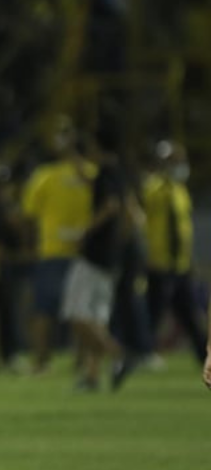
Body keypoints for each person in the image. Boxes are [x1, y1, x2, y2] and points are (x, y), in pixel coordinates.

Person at [60, 123, 138, 391]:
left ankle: (120, 355)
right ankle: (93, 377)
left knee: (77, 314)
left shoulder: (107, 173)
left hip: (95, 255)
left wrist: (86, 231)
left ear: (98, 145)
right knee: (96, 318)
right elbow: (127, 209)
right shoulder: (118, 172)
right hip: (112, 256)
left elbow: (111, 206)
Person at [20, 115, 98, 374]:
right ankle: (57, 361)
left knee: (54, 311)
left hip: (66, 253)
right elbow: (29, 217)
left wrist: (30, 246)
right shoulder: (89, 174)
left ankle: (47, 362)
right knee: (72, 311)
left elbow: (28, 217)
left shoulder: (46, 176)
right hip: (65, 253)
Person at [142, 140, 207, 366]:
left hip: (180, 264)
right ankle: (139, 353)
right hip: (159, 262)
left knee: (189, 315)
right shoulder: (152, 188)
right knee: (154, 313)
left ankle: (205, 358)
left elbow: (183, 229)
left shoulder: (181, 192)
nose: (179, 165)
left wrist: (190, 260)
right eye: (173, 161)